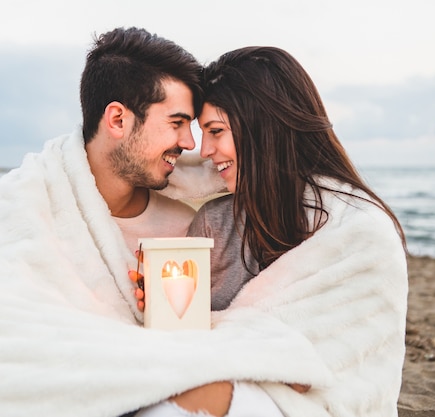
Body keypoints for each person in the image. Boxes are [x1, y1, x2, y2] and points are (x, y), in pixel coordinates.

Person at [0, 29, 308, 417]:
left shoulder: (195, 222)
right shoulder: (21, 208)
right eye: (177, 123)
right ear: (118, 119)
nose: (190, 143)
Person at [134, 46, 408, 417]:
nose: (205, 150)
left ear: (262, 127)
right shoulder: (216, 224)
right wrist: (164, 306)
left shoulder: (360, 232)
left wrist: (241, 347)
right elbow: (186, 341)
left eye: (216, 131)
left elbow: (319, 368)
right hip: (223, 387)